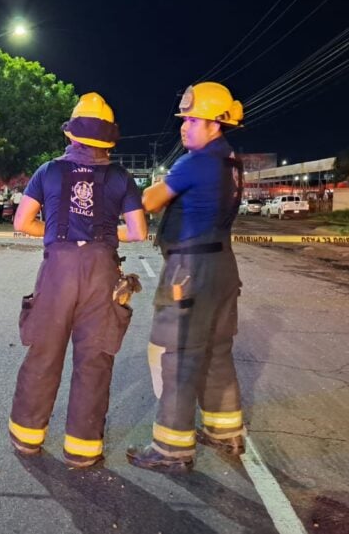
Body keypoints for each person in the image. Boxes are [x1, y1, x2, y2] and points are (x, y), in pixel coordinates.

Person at [8, 92, 148, 469]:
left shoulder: (48, 171)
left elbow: (21, 223)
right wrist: (103, 232)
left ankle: (27, 438)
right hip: (102, 271)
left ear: (71, 135)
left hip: (57, 270)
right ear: (107, 140)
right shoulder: (120, 177)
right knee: (95, 359)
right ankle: (83, 449)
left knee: (44, 353)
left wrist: (55, 229)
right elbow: (138, 231)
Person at [126, 82, 247, 473]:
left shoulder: (194, 163)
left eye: (193, 119)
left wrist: (139, 189)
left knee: (178, 355)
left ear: (215, 124)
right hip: (223, 267)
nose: (185, 126)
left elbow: (149, 201)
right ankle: (225, 430)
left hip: (190, 270)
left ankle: (172, 448)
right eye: (185, 119)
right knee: (217, 351)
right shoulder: (230, 161)